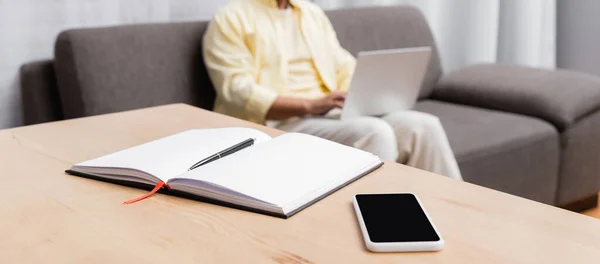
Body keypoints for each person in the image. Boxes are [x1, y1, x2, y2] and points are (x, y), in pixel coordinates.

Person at [203, 0, 462, 180]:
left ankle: (451, 216)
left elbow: (343, 65)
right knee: (375, 132)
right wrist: (311, 105)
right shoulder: (231, 18)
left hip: (330, 115)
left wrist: (368, 92)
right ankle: (381, 227)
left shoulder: (311, 14)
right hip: (278, 123)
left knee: (422, 126)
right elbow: (236, 90)